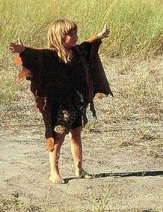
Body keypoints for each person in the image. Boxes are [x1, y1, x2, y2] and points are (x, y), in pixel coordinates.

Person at [9, 19, 112, 184]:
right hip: (59, 106)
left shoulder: (77, 52)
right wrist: (23, 50)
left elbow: (88, 45)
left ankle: (79, 167)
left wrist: (100, 35)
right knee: (58, 138)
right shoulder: (51, 55)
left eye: (75, 33)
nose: (75, 36)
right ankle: (54, 171)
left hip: (76, 103)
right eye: (69, 34)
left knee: (76, 134)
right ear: (58, 36)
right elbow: (36, 55)